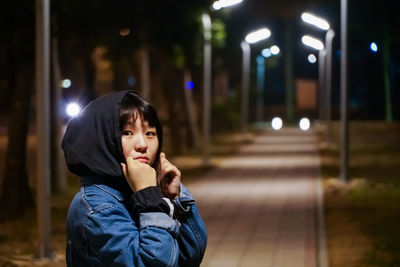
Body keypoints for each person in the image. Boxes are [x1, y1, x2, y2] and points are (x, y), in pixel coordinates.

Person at [62, 90, 207, 266]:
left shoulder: (135, 190)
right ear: (103, 139)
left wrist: (174, 199)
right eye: (127, 133)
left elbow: (189, 258)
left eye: (150, 133)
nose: (142, 145)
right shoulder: (97, 207)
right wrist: (150, 200)